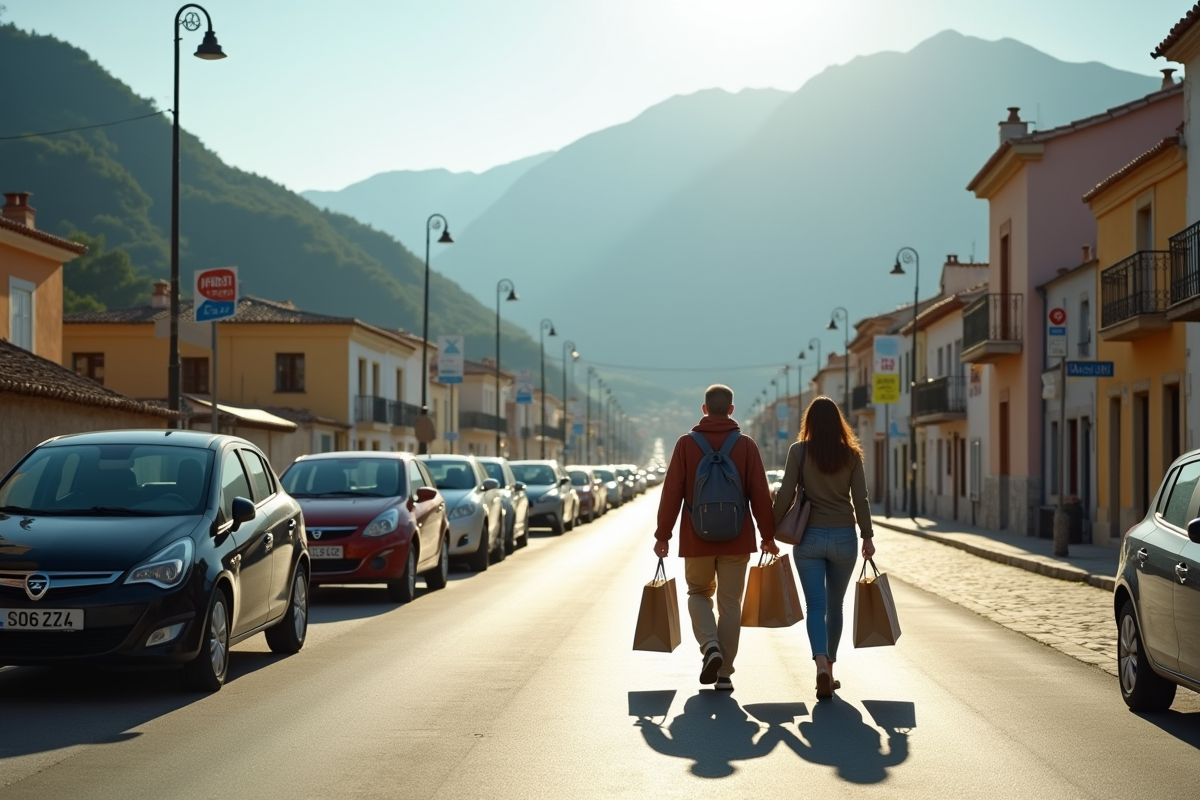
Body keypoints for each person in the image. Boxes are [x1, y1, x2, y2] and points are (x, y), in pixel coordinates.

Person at [654, 384, 778, 691]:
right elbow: (760, 494)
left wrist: (663, 534)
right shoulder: (746, 445)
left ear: (704, 409)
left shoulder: (686, 444)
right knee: (730, 605)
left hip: (697, 538)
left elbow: (671, 493)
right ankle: (725, 673)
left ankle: (710, 646)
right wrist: (768, 536)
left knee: (698, 593)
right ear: (732, 410)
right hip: (738, 539)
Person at [772, 395, 874, 699]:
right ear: (839, 422)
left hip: (809, 539)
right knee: (835, 606)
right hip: (844, 537)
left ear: (810, 423)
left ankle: (819, 665)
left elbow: (786, 494)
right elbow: (861, 499)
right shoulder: (852, 455)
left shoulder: (799, 452)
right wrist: (867, 536)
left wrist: (769, 529)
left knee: (815, 607)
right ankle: (830, 668)